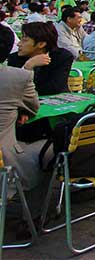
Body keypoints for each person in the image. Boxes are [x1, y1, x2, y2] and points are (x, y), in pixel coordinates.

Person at [0, 24, 46, 214]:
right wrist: (27, 69)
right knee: (53, 148)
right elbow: (33, 108)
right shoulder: (16, 77)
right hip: (4, 159)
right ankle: (35, 216)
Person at [7, 22, 73, 96]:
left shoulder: (62, 57)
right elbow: (13, 88)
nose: (18, 44)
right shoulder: (15, 58)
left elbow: (55, 88)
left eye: (25, 40)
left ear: (41, 44)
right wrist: (27, 67)